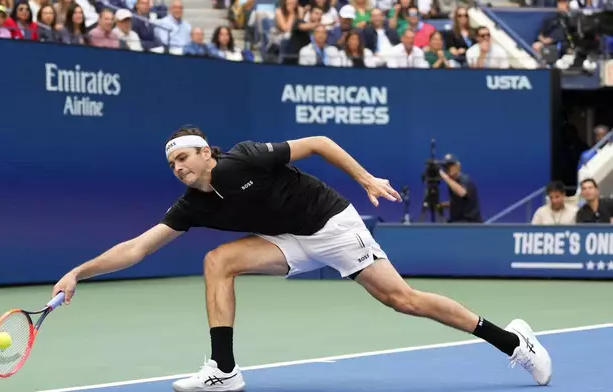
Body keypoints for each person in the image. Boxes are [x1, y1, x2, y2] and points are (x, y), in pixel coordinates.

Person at [52, 127, 552, 392]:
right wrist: (78, 272)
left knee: (403, 300)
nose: (178, 168)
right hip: (290, 239)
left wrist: (365, 179)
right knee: (217, 260)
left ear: (206, 152)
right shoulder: (192, 205)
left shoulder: (244, 157)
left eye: (184, 157)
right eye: (171, 164)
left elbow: (317, 144)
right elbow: (136, 248)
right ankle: (223, 370)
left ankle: (512, 341)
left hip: (334, 226)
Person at [439, 154, 483, 223]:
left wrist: (445, 177)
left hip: (470, 223)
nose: (447, 169)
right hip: (458, 220)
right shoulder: (452, 181)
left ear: (458, 166)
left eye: (450, 165)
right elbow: (463, 202)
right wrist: (443, 205)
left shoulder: (465, 180)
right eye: (445, 166)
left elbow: (462, 193)